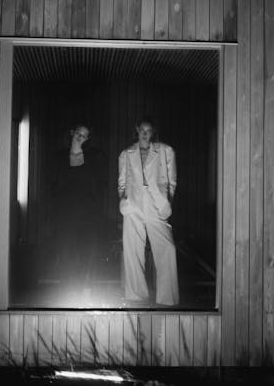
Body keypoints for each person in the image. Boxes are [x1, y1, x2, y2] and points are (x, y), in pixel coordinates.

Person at [118, 117, 179, 306]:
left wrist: (166, 201)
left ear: (153, 132)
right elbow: (121, 181)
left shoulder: (165, 150)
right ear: (137, 130)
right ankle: (136, 294)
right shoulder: (126, 154)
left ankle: (168, 298)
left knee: (167, 248)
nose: (145, 133)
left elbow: (172, 180)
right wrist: (124, 199)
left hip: (156, 201)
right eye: (142, 130)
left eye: (148, 130)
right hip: (133, 202)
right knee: (132, 250)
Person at [47, 124, 109, 295]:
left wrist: (93, 202)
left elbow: (102, 183)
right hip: (65, 215)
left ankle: (85, 289)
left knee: (86, 251)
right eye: (78, 133)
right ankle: (68, 290)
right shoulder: (58, 157)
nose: (81, 137)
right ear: (72, 133)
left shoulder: (95, 157)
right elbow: (51, 185)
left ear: (88, 139)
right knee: (66, 252)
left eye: (85, 135)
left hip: (88, 215)